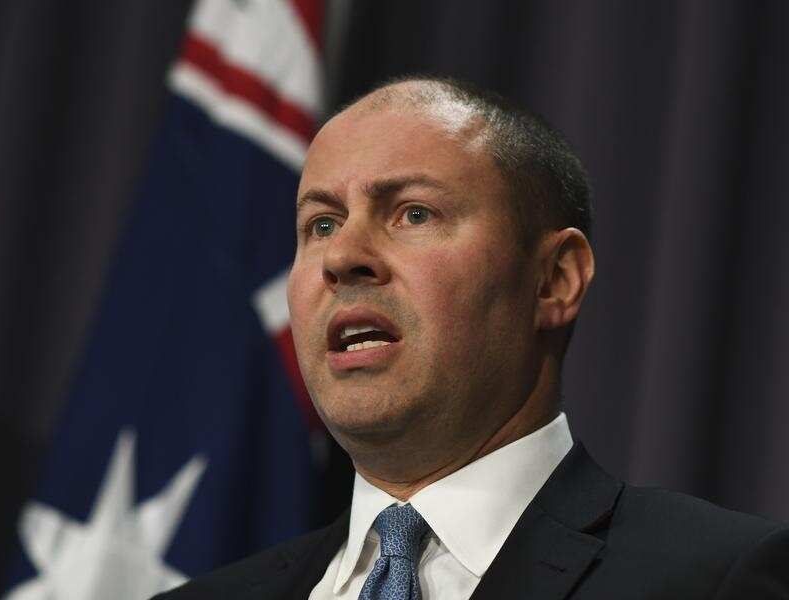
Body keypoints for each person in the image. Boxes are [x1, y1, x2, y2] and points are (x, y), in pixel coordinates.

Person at [154, 77, 789, 599]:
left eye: (413, 213)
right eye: (320, 223)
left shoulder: (717, 579)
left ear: (553, 281)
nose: (342, 256)